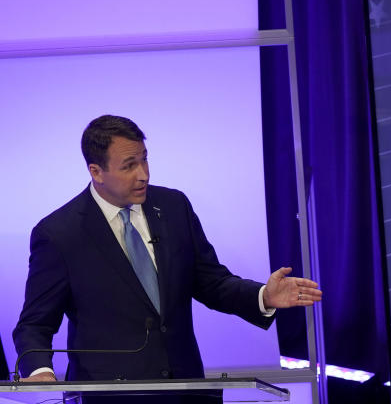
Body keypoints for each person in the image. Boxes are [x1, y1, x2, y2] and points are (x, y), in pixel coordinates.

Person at [13, 114, 322, 382]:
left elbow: (211, 282)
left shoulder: (173, 207)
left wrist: (263, 296)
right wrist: (40, 370)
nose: (143, 174)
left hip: (186, 397)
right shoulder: (59, 234)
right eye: (129, 165)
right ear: (96, 172)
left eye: (144, 159)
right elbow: (34, 324)